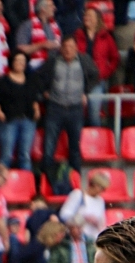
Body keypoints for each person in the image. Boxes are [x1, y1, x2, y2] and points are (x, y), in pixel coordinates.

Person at [38, 37, 96, 195]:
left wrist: (87, 91)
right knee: (48, 148)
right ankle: (45, 185)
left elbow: (95, 75)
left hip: (75, 109)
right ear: (61, 48)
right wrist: (44, 92)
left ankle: (75, 186)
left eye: (71, 46)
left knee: (75, 149)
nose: (68, 49)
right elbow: (38, 76)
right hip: (55, 108)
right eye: (65, 46)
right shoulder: (53, 61)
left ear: (77, 48)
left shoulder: (84, 61)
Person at [77, 7, 117, 127]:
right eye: (85, 15)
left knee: (94, 112)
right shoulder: (77, 35)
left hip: (97, 80)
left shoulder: (106, 37)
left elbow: (115, 58)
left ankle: (96, 140)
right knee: (77, 113)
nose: (86, 18)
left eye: (90, 16)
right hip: (79, 79)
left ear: (97, 19)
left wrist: (105, 72)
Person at [60, 169, 108, 241]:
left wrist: (97, 223)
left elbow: (102, 222)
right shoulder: (78, 195)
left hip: (93, 238)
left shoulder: (100, 201)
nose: (102, 191)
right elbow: (64, 215)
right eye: (101, 188)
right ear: (94, 184)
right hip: (78, 237)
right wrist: (83, 218)